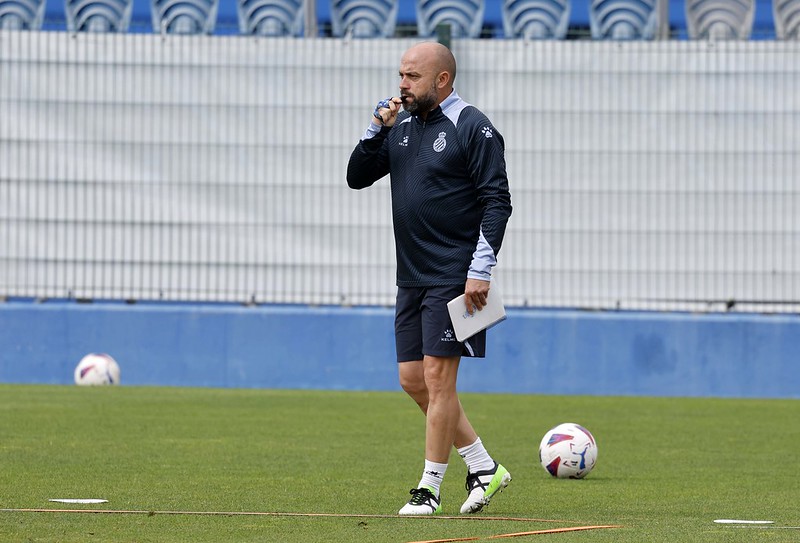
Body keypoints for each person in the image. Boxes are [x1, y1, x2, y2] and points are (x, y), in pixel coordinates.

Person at [346, 42, 513, 516]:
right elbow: (357, 177)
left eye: (412, 76)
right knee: (411, 380)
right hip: (412, 275)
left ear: (441, 79)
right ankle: (484, 467)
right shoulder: (398, 127)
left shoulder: (473, 126)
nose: (402, 84)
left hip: (457, 277)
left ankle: (429, 488)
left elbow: (497, 201)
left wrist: (480, 271)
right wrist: (374, 128)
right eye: (400, 74)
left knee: (439, 380)